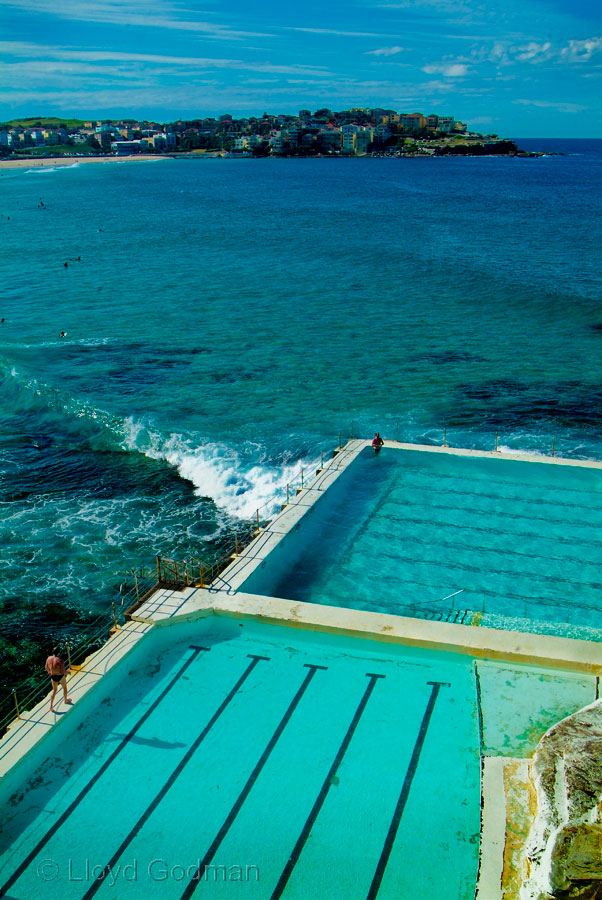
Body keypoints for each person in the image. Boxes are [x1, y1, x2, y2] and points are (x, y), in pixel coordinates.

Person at [45, 647, 72, 712]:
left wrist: (49, 672)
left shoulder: (48, 658)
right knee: (64, 688)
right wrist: (68, 672)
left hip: (53, 677)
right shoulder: (60, 660)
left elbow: (46, 667)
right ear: (59, 652)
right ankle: (65, 700)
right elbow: (63, 671)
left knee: (54, 690)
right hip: (60, 676)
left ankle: (51, 706)